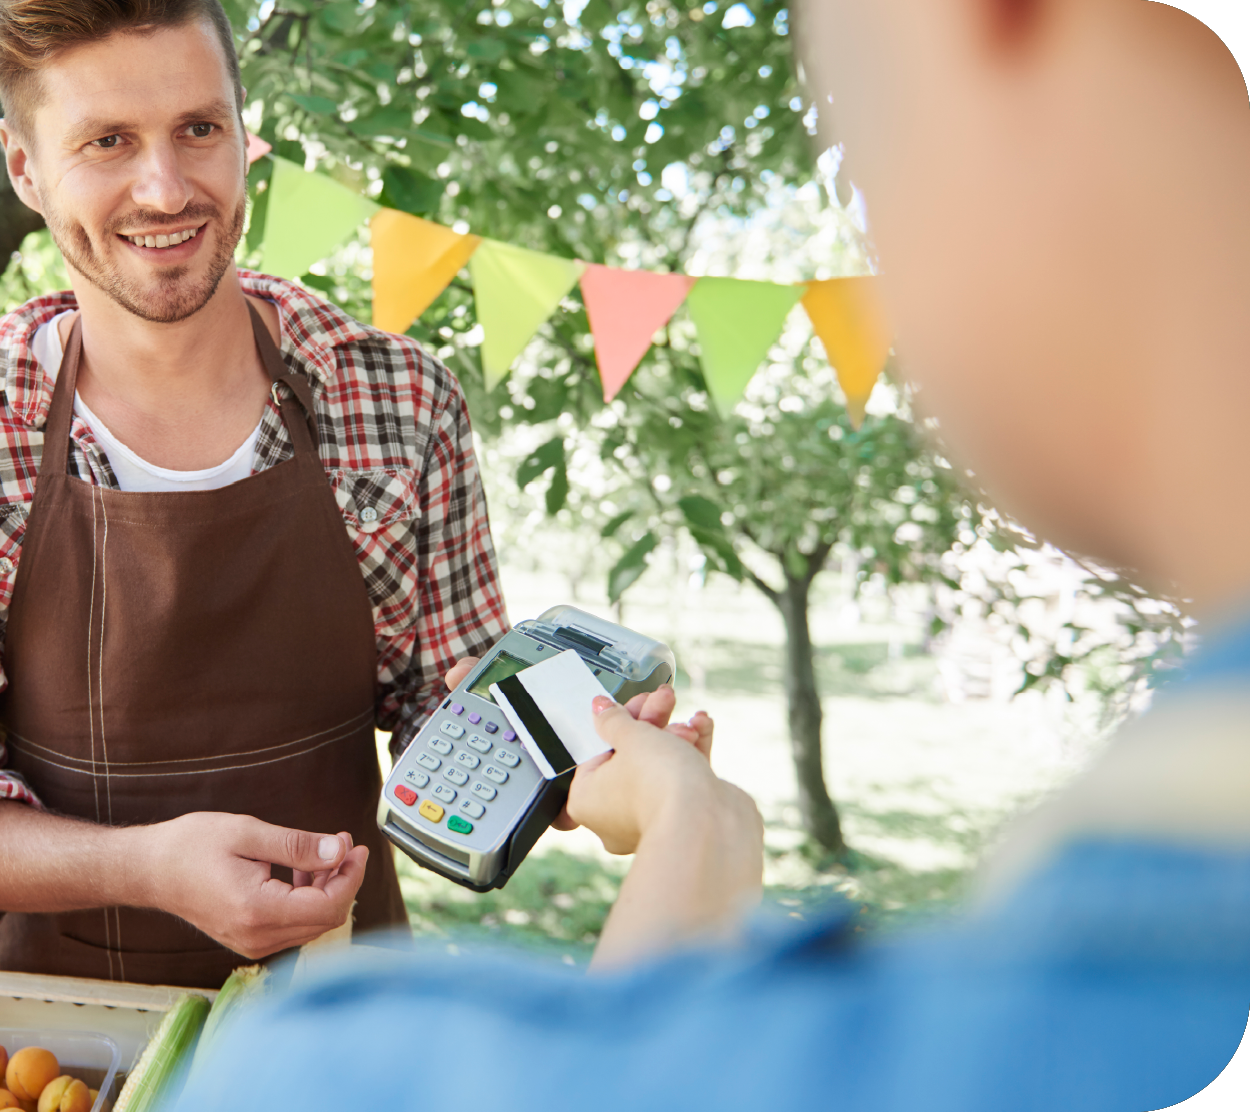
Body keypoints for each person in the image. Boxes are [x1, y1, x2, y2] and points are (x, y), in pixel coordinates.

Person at [180, 0, 1250, 1107]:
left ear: (994, 27)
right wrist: (702, 820)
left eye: (866, 139)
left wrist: (697, 828)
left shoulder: (328, 1068)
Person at [0, 0, 508, 988]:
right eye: (107, 141)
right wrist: (142, 864)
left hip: (346, 1017)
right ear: (25, 168)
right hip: (64, 1057)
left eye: (200, 129)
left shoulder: (398, 401)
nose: (165, 187)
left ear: (247, 135)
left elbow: (447, 709)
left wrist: (576, 755)